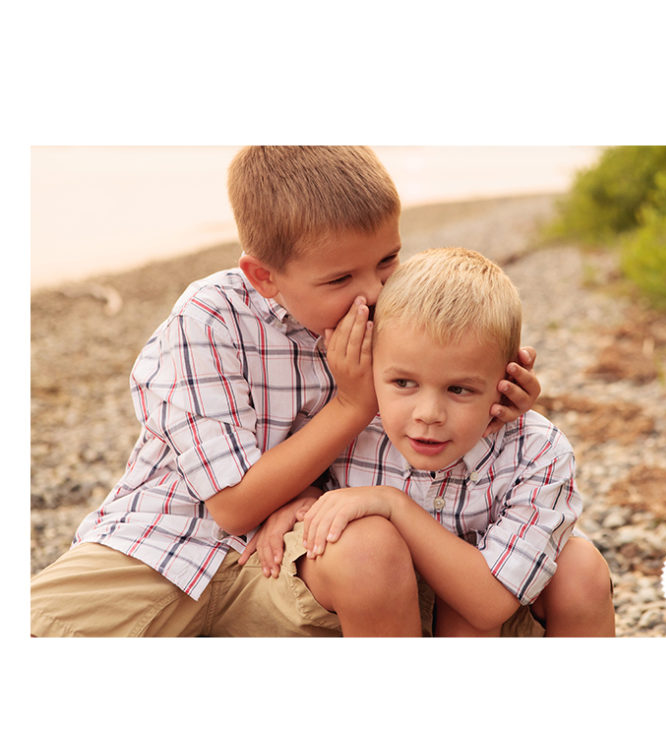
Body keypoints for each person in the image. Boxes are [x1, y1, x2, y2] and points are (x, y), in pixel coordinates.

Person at [30, 146, 540, 637]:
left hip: (295, 555)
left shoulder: (395, 313)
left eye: (388, 260)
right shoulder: (210, 318)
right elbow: (231, 506)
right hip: (164, 540)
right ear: (265, 276)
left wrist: (497, 407)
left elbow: (437, 417)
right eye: (341, 277)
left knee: (370, 549)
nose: (374, 292)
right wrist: (353, 403)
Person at [246, 248, 615, 636]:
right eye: (404, 383)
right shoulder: (353, 424)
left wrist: (393, 505)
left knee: (581, 568)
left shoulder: (538, 453)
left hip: (493, 612)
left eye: (458, 389)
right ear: (372, 364)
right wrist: (304, 497)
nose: (428, 413)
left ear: (508, 382)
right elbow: (305, 472)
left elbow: (489, 606)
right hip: (381, 609)